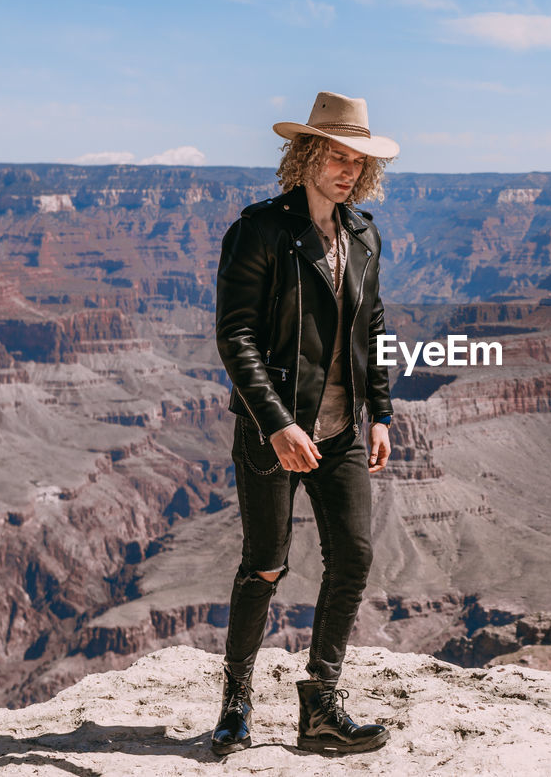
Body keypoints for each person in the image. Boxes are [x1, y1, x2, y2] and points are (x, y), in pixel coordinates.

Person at [211, 91, 398, 757]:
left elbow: (371, 329)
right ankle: (235, 700)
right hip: (276, 432)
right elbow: (235, 336)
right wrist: (276, 423)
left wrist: (379, 412)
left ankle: (320, 701)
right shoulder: (261, 232)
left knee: (354, 554)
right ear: (306, 155)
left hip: (342, 429)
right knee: (264, 563)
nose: (347, 170)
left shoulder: (364, 235)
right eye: (336, 156)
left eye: (357, 160)